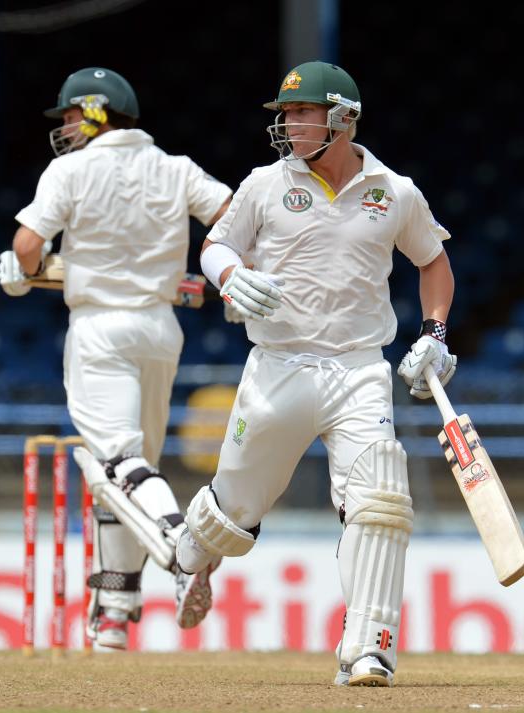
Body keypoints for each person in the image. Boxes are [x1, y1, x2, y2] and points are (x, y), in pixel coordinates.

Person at [174, 61, 457, 686]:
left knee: (379, 500)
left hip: (359, 370)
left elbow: (434, 264)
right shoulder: (263, 185)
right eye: (286, 113)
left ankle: (368, 647)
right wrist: (231, 275)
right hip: (278, 366)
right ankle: (190, 558)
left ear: (344, 119)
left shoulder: (395, 191)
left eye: (303, 113)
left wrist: (434, 335)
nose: (289, 123)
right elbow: (217, 244)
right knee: (233, 511)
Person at [0, 67, 232, 651]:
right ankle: (114, 614)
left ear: (98, 113)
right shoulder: (174, 168)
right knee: (131, 473)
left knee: (117, 463)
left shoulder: (71, 169)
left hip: (100, 328)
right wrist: (232, 275)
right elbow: (232, 214)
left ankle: (183, 552)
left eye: (73, 115)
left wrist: (22, 271)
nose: (66, 127)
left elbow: (29, 246)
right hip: (159, 326)